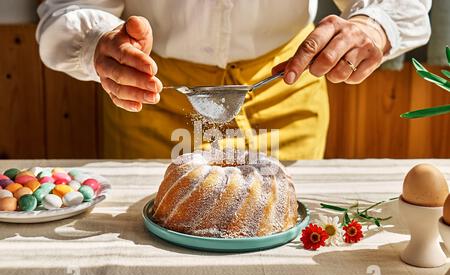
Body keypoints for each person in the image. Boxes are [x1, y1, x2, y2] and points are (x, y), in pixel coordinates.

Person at [36, 0, 432, 160]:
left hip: (284, 91)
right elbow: (69, 7)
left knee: (285, 259)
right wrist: (98, 43)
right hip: (153, 96)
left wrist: (374, 24)